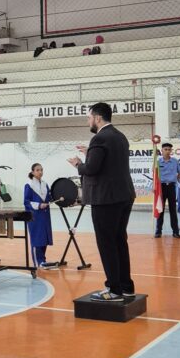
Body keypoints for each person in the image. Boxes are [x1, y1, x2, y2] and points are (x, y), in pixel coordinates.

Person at [68, 102, 136, 301]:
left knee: (107, 244)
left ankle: (113, 289)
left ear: (97, 118)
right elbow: (108, 162)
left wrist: (79, 164)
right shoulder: (119, 136)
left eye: (89, 117)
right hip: (124, 196)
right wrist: (90, 151)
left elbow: (91, 169)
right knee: (119, 241)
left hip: (106, 199)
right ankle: (126, 286)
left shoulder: (99, 138)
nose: (88, 121)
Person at [23, 163, 53, 269]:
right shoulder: (29, 185)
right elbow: (26, 202)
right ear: (32, 172)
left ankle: (43, 260)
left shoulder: (45, 184)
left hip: (45, 215)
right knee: (37, 238)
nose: (40, 172)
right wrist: (39, 205)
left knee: (44, 238)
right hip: (34, 215)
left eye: (41, 170)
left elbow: (49, 198)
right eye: (37, 170)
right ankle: (37, 261)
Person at [154, 143, 180, 238]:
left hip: (171, 187)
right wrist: (154, 187)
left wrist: (176, 178)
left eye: (169, 149)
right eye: (165, 149)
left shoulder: (175, 161)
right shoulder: (157, 161)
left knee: (172, 210)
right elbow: (154, 175)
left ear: (171, 151)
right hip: (161, 188)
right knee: (160, 209)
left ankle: (175, 231)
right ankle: (158, 231)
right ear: (161, 151)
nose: (167, 151)